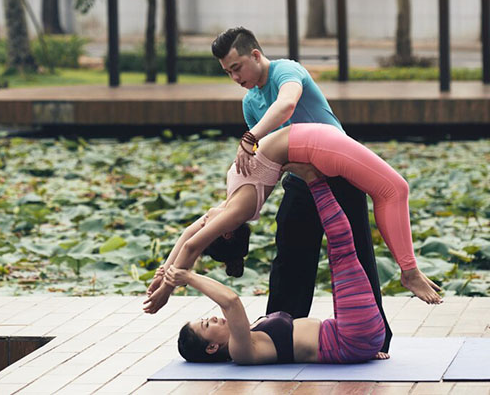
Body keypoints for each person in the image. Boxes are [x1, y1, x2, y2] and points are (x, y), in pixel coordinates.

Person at [211, 26, 395, 356]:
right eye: (227, 72)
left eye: (237, 67)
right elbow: (270, 160)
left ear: (255, 55)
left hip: (341, 174)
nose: (234, 77)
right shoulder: (251, 102)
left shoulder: (287, 70)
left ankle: (378, 338)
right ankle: (276, 332)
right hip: (300, 179)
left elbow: (286, 105)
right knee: (289, 255)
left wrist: (251, 136)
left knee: (356, 254)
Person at [142, 122, 441, 317]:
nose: (205, 218)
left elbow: (187, 237)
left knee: (392, 190)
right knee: (394, 189)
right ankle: (409, 272)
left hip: (313, 140)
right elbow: (193, 246)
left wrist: (163, 273)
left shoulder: (228, 203)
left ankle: (409, 271)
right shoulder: (239, 210)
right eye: (210, 225)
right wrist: (169, 290)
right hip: (317, 144)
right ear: (227, 233)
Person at [170, 161, 438, 365]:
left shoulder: (247, 334)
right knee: (342, 248)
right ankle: (312, 179)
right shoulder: (241, 350)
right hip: (352, 337)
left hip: (354, 336)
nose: (215, 317)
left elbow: (227, 304)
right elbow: (231, 301)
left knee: (342, 248)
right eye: (207, 325)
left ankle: (313, 180)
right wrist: (187, 276)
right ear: (211, 348)